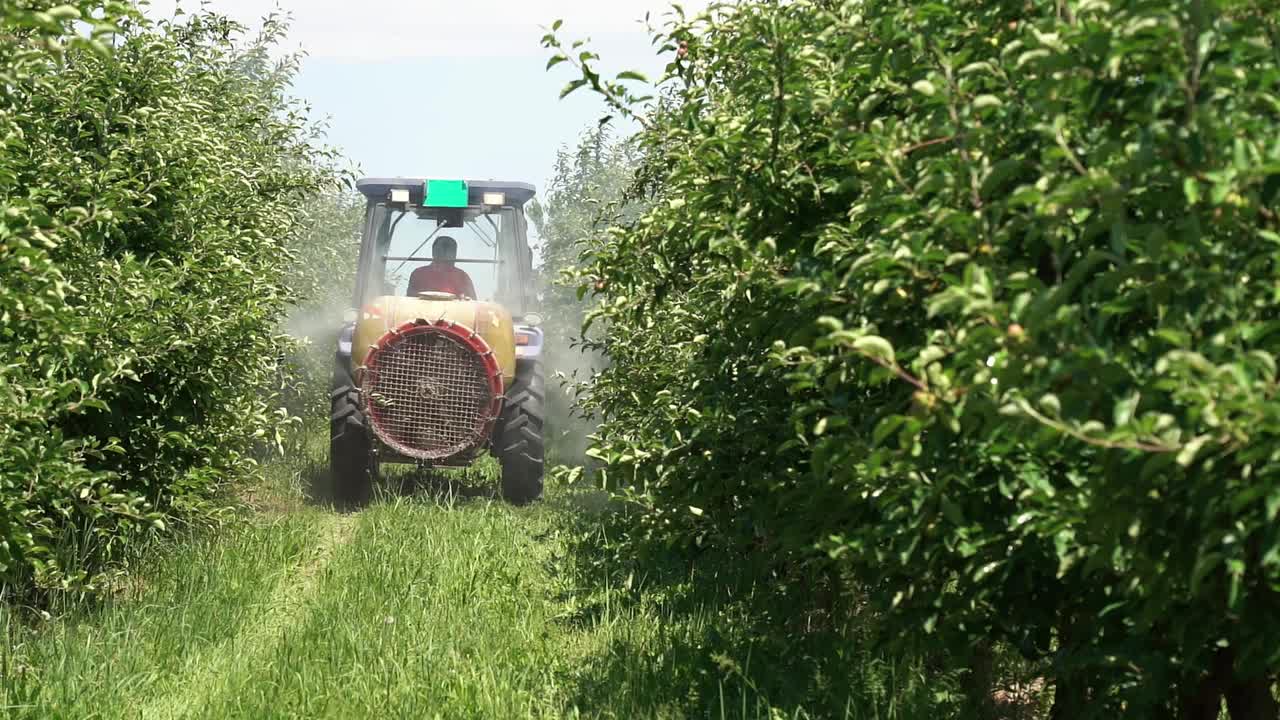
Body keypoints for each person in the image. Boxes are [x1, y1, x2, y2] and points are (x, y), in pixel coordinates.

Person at [406, 236, 477, 299]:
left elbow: (472, 303)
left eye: (450, 250)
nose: (445, 254)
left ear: (455, 253)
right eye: (441, 250)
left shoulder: (462, 276)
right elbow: (410, 301)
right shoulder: (418, 274)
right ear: (433, 252)